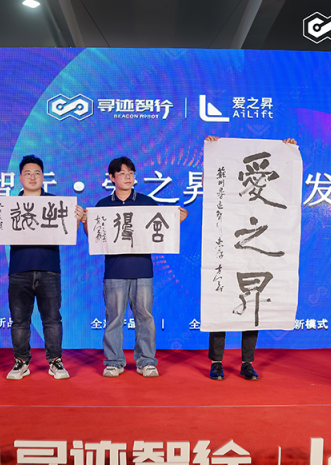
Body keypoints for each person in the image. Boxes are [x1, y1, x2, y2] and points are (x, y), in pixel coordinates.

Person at [0, 155, 81, 381]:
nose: (32, 177)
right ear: (20, 178)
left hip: (49, 269)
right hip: (19, 270)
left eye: (37, 173)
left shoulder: (55, 203)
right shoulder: (8, 206)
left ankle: (55, 361)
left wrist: (77, 218)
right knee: (19, 320)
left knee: (52, 319)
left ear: (43, 177)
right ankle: (21, 362)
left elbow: (69, 232)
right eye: (27, 173)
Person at [80, 156, 187, 378]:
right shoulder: (103, 206)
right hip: (114, 271)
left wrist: (176, 221)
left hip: (142, 270)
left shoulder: (147, 203)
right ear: (112, 177)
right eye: (122, 173)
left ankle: (146, 361)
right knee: (114, 318)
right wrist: (85, 222)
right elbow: (95, 237)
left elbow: (160, 230)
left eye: (131, 173)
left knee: (145, 317)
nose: (128, 177)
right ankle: (114, 362)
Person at [203, 136, 298, 381]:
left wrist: (285, 151)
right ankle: (216, 362)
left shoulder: (266, 192)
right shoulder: (229, 184)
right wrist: (214, 152)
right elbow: (213, 187)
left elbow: (286, 187)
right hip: (228, 248)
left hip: (255, 251)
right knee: (220, 301)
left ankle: (247, 363)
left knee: (252, 301)